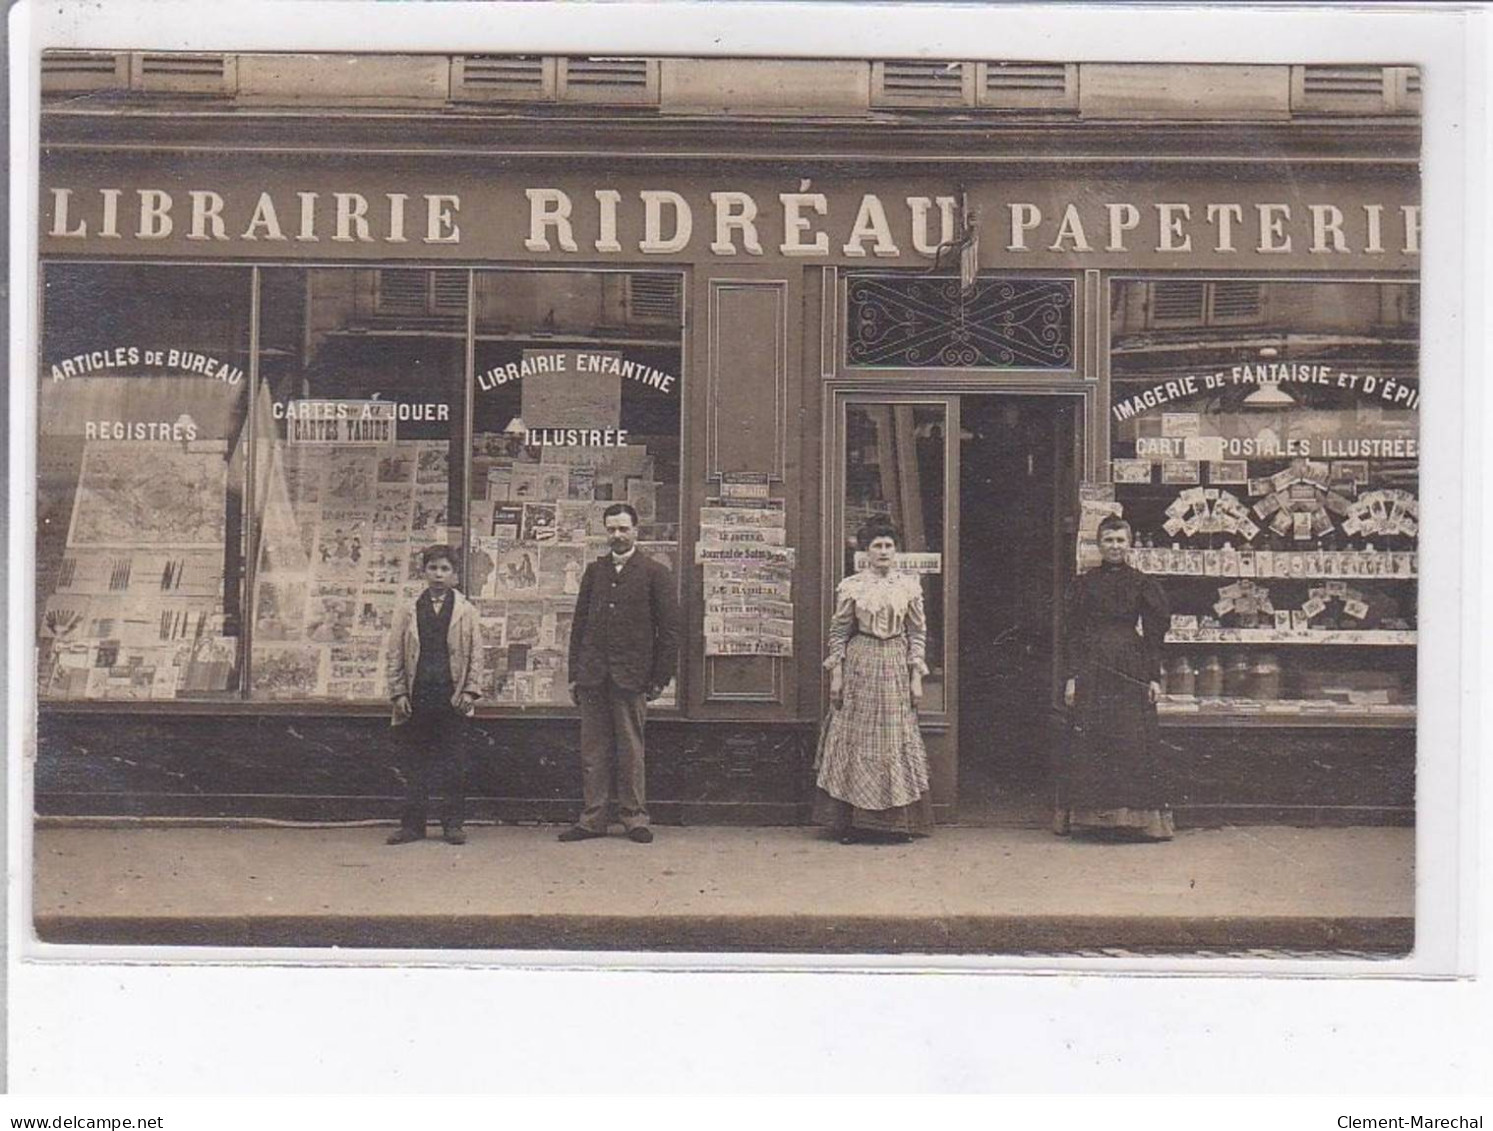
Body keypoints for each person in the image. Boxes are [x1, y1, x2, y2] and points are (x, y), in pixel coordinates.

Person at [559, 503, 679, 844]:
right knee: (593, 750)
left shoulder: (655, 573)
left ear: (636, 531)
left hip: (632, 676)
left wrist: (659, 678)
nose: (617, 536)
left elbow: (669, 632)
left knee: (630, 749)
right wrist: (574, 674)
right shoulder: (595, 573)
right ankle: (592, 818)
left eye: (623, 529)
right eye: (611, 529)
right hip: (593, 676)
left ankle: (634, 817)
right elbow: (580, 626)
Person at [815, 519, 933, 844]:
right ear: (866, 552)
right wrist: (836, 675)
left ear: (896, 551)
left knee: (893, 737)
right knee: (858, 736)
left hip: (895, 661)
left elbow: (917, 632)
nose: (883, 551)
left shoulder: (908, 586)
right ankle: (852, 824)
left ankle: (895, 824)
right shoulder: (853, 586)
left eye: (888, 546)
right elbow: (838, 633)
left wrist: (916, 676)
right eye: (877, 546)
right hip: (861, 662)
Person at [1058, 514, 1174, 841]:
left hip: (1130, 665)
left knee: (1131, 739)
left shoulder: (1142, 583)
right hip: (1092, 665)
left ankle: (1132, 820)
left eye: (1120, 540)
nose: (1114, 546)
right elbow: (1073, 634)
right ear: (1098, 544)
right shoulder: (1084, 584)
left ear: (1130, 543)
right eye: (1108, 540)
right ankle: (1094, 819)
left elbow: (1154, 634)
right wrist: (1072, 677)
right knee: (1093, 738)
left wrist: (1153, 677)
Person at [384, 544, 484, 846]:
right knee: (415, 762)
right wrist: (398, 692)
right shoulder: (408, 609)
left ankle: (452, 824)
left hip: (451, 696)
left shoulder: (466, 611)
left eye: (445, 570)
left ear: (454, 575)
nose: (438, 575)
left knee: (453, 761)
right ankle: (413, 826)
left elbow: (476, 654)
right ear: (424, 571)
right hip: (418, 696)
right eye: (433, 568)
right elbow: (395, 653)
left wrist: (470, 690)